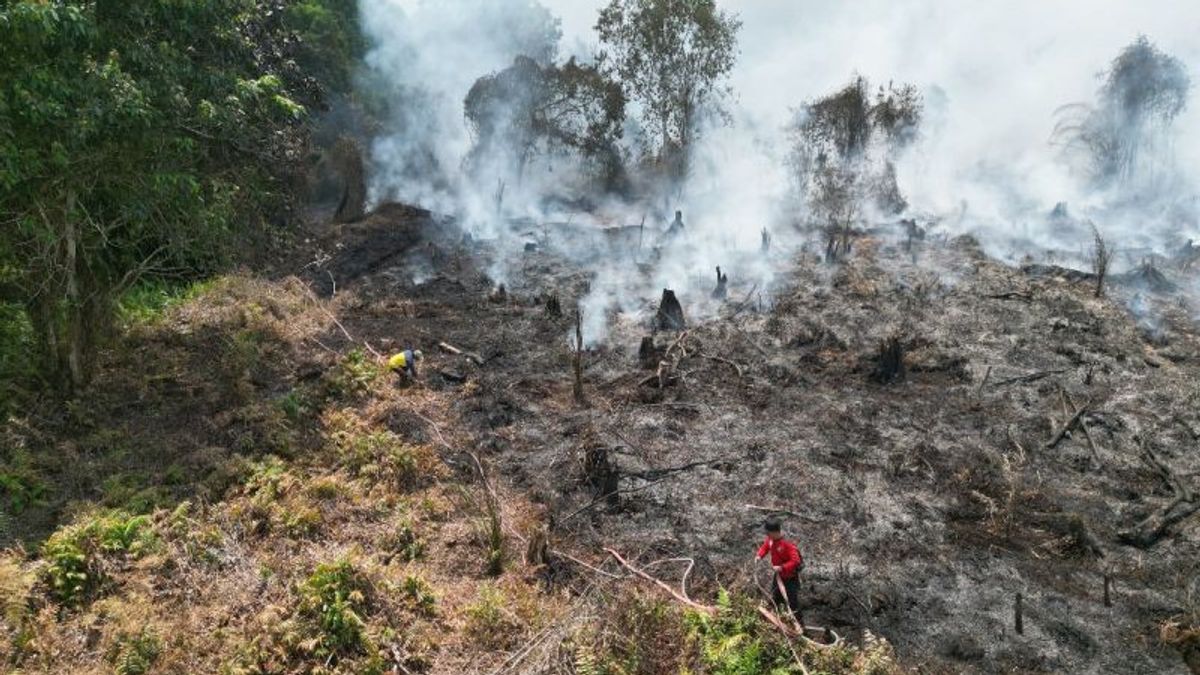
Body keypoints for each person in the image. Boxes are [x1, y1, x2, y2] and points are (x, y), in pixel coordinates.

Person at [755, 518, 804, 625]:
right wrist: (759, 555)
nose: (767, 535)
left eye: (768, 532)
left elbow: (796, 561)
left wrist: (782, 567)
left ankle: (801, 627)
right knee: (775, 599)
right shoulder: (770, 539)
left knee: (793, 604)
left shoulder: (787, 544)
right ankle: (776, 622)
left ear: (774, 532)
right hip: (778, 577)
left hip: (790, 578)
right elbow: (765, 547)